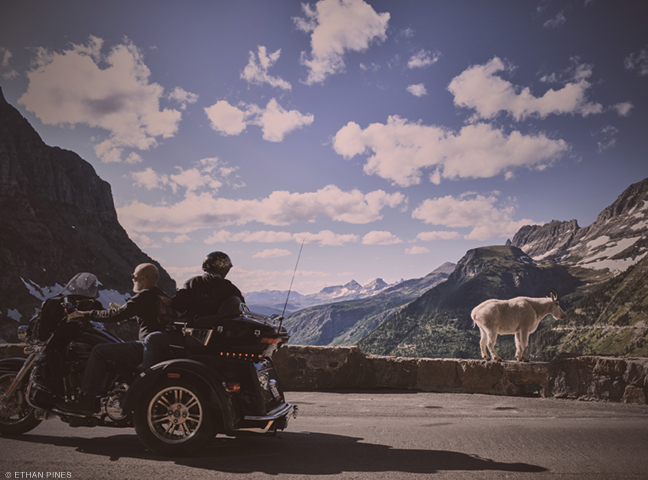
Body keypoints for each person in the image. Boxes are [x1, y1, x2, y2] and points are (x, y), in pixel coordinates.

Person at [67, 263, 175, 414]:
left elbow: (116, 314)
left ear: (143, 278)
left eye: (134, 277)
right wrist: (129, 319)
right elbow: (151, 319)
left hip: (145, 346)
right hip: (159, 346)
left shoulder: (144, 295)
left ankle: (87, 400)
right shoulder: (161, 296)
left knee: (99, 351)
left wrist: (85, 314)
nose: (132, 279)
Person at [172, 251, 245, 322]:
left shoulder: (195, 282)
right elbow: (241, 309)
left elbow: (178, 304)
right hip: (224, 330)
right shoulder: (232, 289)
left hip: (196, 329)